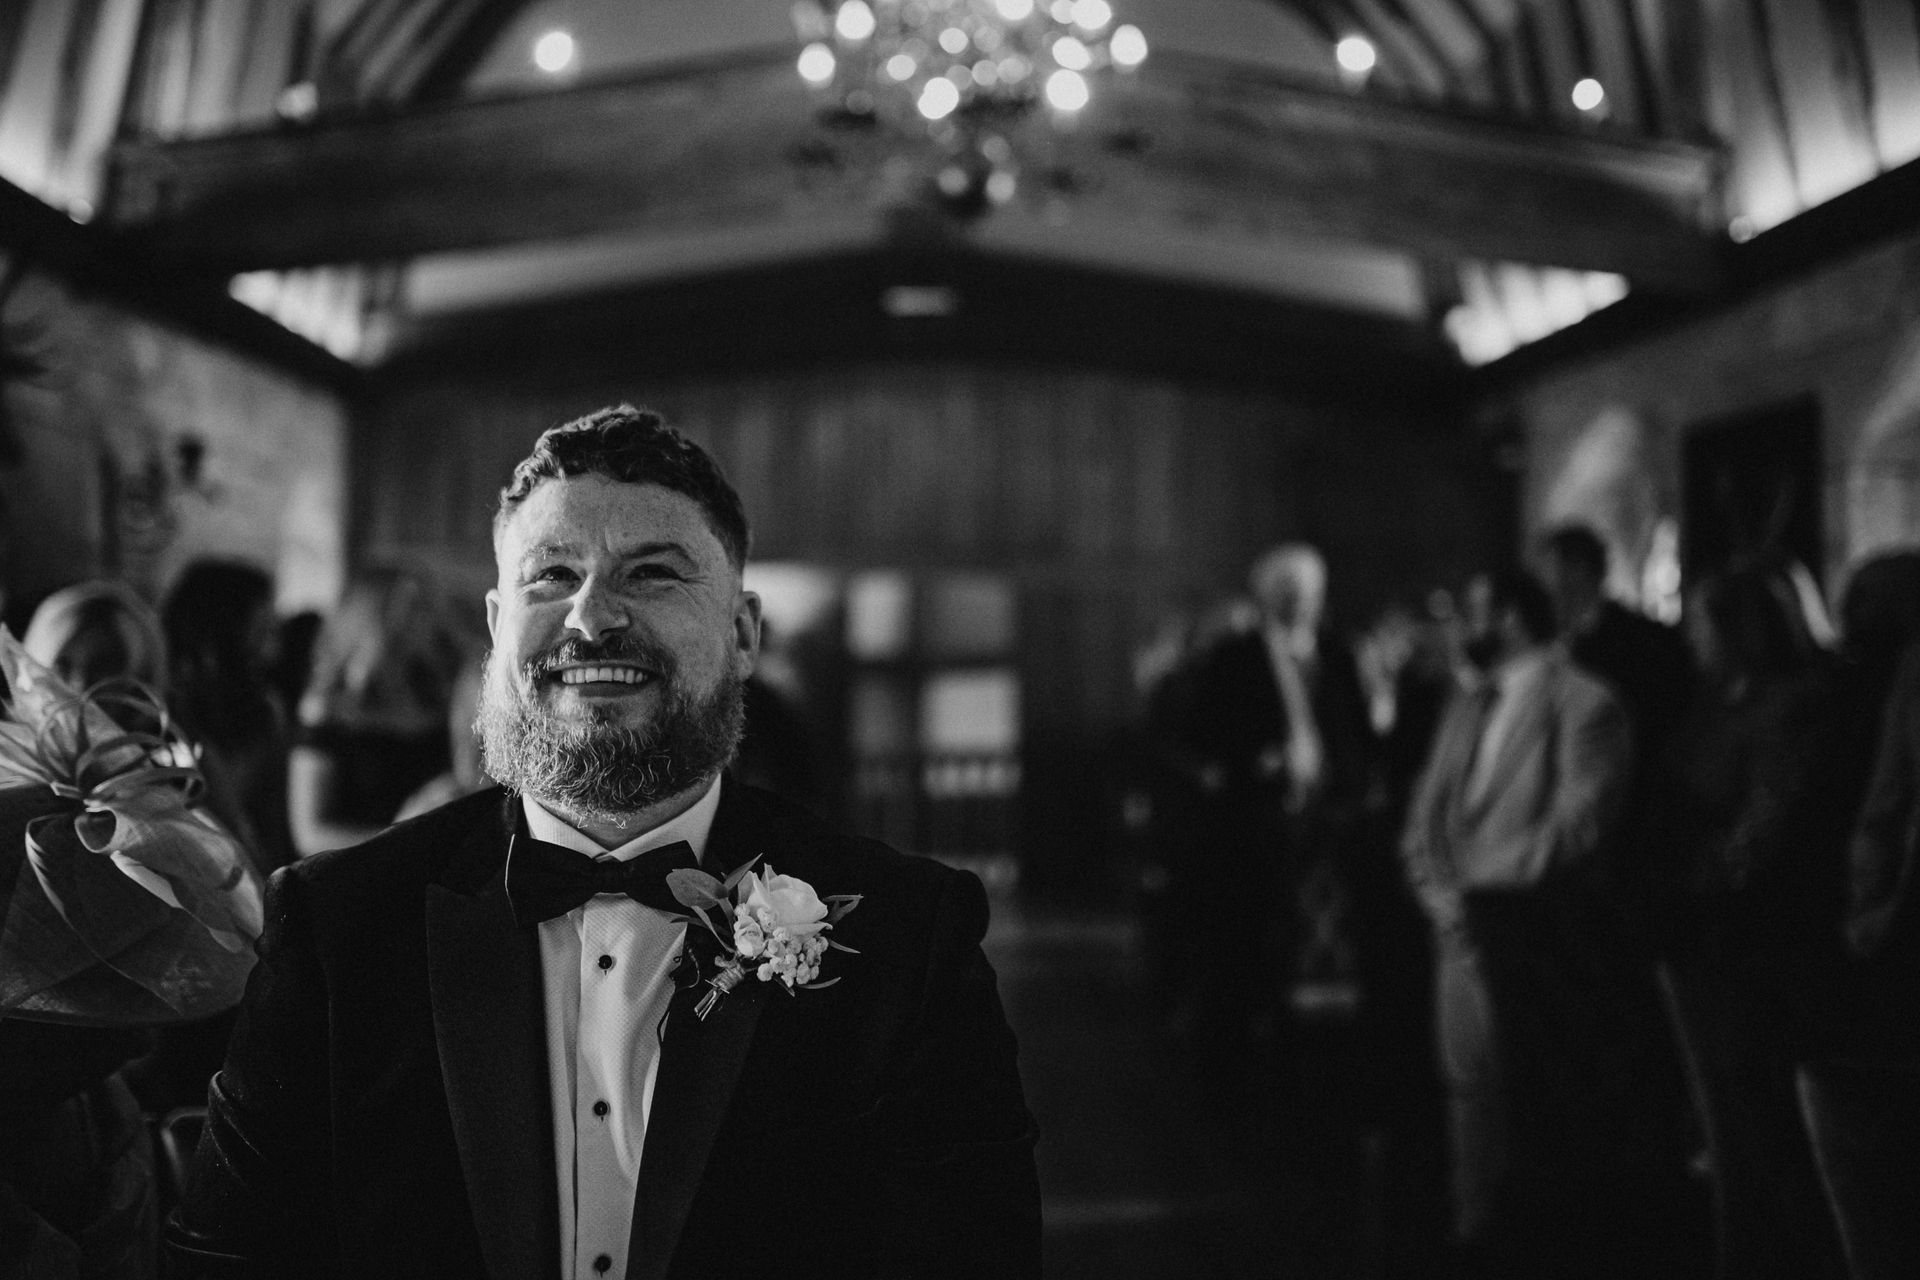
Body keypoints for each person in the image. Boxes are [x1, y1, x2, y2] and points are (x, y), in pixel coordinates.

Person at [166, 405, 1040, 1279]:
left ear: (743, 635)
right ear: (497, 624)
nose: (591, 618)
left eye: (652, 574)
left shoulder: (909, 936)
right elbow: (231, 1259)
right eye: (551, 576)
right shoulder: (335, 925)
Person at [1398, 567, 1633, 1276]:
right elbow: (1425, 813)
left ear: (1509, 616)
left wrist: (1482, 892)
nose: (1458, 628)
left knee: (1533, 1096)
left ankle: (1527, 1245)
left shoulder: (1587, 701)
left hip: (1535, 935)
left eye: (1471, 612)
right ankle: (1473, 1230)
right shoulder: (1467, 703)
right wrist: (1434, 890)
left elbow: (1576, 824)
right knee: (1466, 1087)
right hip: (1458, 930)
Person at [1651, 561, 1848, 1280]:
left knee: (1757, 1127)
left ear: (1739, 630)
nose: (1687, 638)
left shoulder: (1790, 708)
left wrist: (1714, 877)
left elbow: (1764, 828)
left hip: (1745, 940)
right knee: (1721, 1120)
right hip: (1698, 933)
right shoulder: (1713, 704)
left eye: (1699, 623)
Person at [1173, 545, 1375, 1078]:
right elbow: (1204, 735)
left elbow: (1357, 735)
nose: (1301, 605)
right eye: (1289, 595)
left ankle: (1319, 1054)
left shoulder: (1340, 654)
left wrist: (1349, 785)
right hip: (1252, 822)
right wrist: (1256, 760)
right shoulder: (1234, 656)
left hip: (1328, 823)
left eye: (1309, 594)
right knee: (1247, 943)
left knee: (1323, 944)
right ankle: (1242, 1058)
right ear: (1267, 599)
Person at [285, 567, 463, 853]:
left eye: (427, 605)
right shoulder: (327, 707)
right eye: (413, 607)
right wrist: (401, 833)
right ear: (371, 615)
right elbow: (310, 836)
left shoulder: (432, 691)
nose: (428, 618)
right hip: (353, 879)